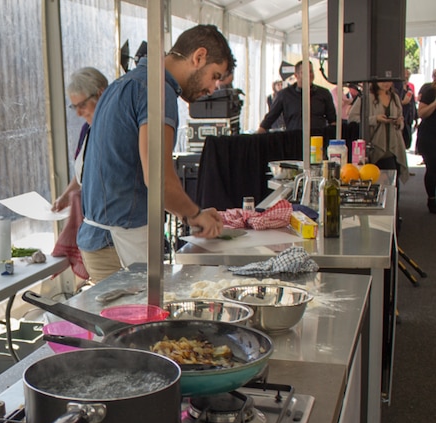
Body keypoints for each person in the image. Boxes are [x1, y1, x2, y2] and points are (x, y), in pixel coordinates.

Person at [79, 24, 233, 267]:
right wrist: (195, 215)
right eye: (215, 76)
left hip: (101, 237)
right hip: (118, 242)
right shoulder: (157, 90)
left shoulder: (124, 84)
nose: (213, 89)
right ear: (199, 57)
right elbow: (158, 177)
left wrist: (189, 211)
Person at [51, 68, 121, 282]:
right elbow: (83, 172)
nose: (79, 113)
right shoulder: (87, 130)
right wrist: (66, 195)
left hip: (115, 233)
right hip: (94, 234)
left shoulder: (119, 128)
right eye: (74, 107)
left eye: (82, 105)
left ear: (101, 93)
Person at [349, 81, 409, 184]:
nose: (386, 84)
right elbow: (352, 118)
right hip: (374, 146)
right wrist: (375, 119)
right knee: (375, 181)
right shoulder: (366, 97)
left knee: (393, 182)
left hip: (393, 146)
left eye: (389, 81)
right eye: (382, 81)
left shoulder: (394, 97)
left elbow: (401, 119)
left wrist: (399, 122)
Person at [256, 60, 337, 134]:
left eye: (311, 71)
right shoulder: (284, 95)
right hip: (293, 141)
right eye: (305, 72)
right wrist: (255, 137)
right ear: (296, 75)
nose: (309, 75)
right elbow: (270, 118)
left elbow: (333, 120)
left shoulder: (324, 93)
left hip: (318, 141)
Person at [416, 75, 436, 212]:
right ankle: (432, 199)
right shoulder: (430, 91)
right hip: (430, 136)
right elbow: (421, 113)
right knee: (432, 168)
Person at [400, 68, 417, 149]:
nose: (406, 78)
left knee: (407, 142)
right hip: (402, 119)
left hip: (409, 120)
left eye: (407, 77)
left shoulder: (409, 90)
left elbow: (413, 104)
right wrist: (403, 102)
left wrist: (416, 118)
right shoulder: (398, 91)